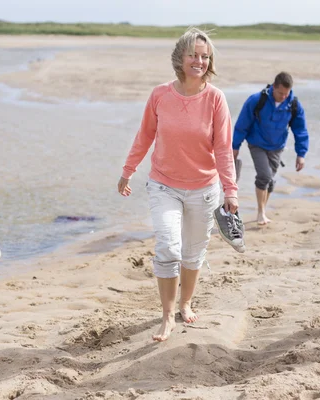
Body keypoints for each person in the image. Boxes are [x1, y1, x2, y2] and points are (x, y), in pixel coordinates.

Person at [117, 27, 238, 342]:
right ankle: (167, 315)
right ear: (180, 58)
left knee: (193, 253)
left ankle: (186, 303)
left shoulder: (215, 98)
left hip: (205, 188)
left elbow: (224, 148)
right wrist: (128, 170)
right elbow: (145, 136)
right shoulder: (160, 94)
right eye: (193, 55)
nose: (199, 61)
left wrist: (231, 191)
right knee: (168, 248)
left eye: (204, 56)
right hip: (164, 185)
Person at [232, 71, 309, 225]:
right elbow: (241, 125)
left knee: (270, 181)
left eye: (286, 94)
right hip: (257, 144)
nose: (283, 97)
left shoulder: (293, 104)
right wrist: (235, 146)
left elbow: (300, 130)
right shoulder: (256, 100)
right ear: (274, 87)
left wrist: (301, 154)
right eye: (280, 93)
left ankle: (262, 211)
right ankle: (261, 213)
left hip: (277, 147)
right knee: (265, 177)